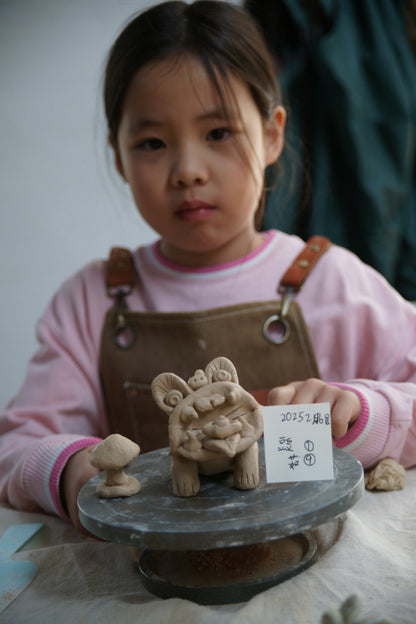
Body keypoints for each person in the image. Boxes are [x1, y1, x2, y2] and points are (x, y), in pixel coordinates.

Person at [0, 0, 415, 534]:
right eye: (152, 143)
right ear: (119, 156)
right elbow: (16, 446)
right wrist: (69, 468)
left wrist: (364, 414)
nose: (188, 171)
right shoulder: (92, 300)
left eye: (218, 133)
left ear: (272, 134)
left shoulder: (332, 280)